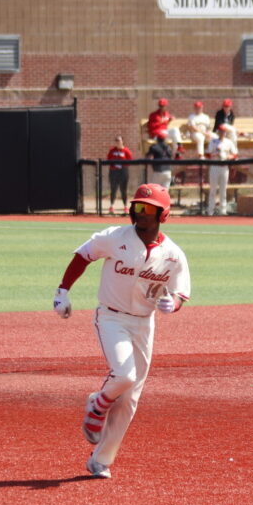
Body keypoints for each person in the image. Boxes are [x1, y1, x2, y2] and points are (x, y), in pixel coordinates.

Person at [52, 184, 191, 479]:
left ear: (163, 214)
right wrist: (63, 290)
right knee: (124, 375)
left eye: (149, 208)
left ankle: (100, 460)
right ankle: (99, 403)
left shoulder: (174, 255)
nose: (141, 213)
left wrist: (173, 303)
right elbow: (83, 256)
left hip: (144, 323)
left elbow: (181, 291)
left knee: (130, 398)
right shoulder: (115, 237)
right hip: (111, 317)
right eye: (138, 207)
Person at [207, 124, 238, 215]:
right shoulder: (213, 142)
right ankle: (210, 211)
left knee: (223, 190)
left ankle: (222, 211)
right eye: (220, 131)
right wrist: (216, 154)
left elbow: (235, 155)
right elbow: (208, 154)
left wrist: (228, 156)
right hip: (215, 166)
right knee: (213, 190)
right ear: (218, 132)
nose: (222, 133)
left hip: (224, 167)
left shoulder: (229, 142)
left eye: (223, 131)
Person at [106, 135, 133, 215]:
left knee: (123, 190)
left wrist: (123, 165)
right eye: (116, 140)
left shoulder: (126, 150)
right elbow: (108, 160)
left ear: (122, 141)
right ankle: (111, 206)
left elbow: (130, 160)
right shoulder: (112, 151)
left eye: (119, 140)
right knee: (113, 189)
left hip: (123, 172)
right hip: (114, 172)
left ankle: (125, 206)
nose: (118, 142)